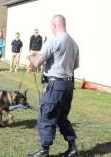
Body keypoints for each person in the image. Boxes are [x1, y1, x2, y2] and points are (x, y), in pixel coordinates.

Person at [27, 15, 79, 157]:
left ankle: (44, 151)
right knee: (62, 117)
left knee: (47, 116)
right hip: (68, 85)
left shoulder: (54, 41)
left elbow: (37, 62)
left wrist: (30, 57)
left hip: (55, 85)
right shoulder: (74, 43)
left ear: (54, 25)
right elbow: (76, 65)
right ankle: (72, 148)